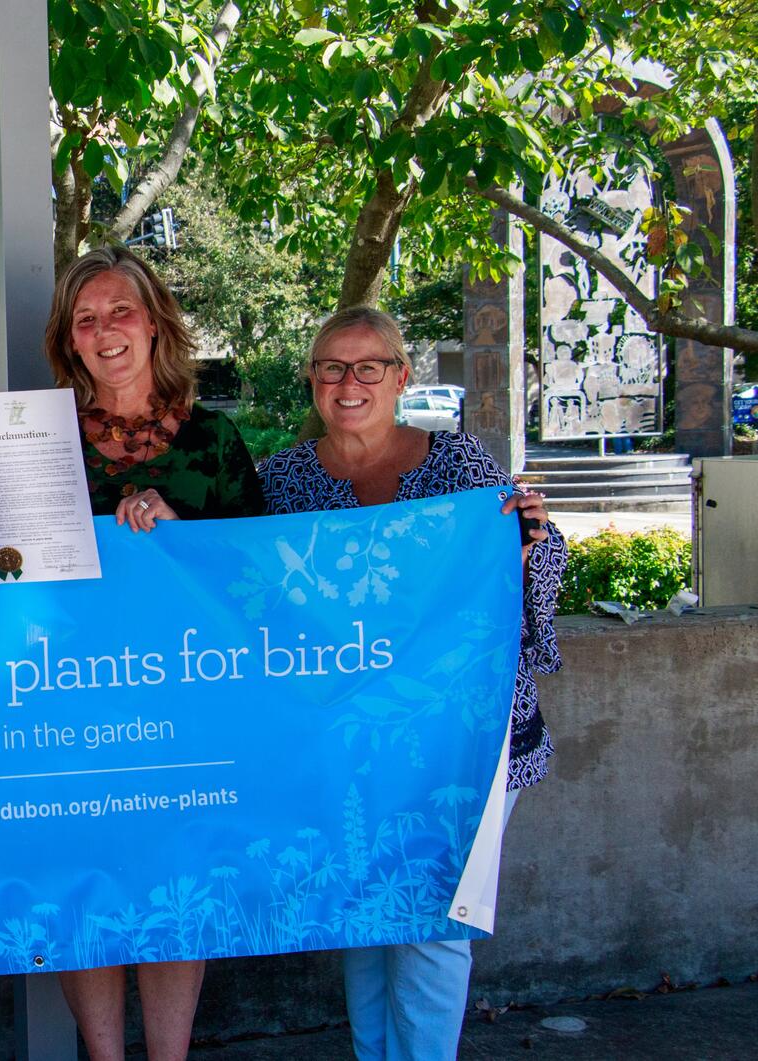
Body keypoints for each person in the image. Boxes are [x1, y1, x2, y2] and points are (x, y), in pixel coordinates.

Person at [0, 244, 264, 1061]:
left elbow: (253, 580)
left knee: (175, 883)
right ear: (69, 341)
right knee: (82, 878)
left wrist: (179, 539)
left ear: (153, 322)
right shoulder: (33, 439)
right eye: (86, 319)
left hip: (182, 701)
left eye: (120, 311)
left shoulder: (215, 442)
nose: (105, 329)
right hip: (66, 701)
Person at [258, 306, 566, 1061]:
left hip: (465, 739)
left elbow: (531, 565)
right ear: (312, 379)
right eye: (332, 366)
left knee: (432, 917)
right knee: (364, 917)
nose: (349, 382)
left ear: (400, 377)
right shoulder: (281, 482)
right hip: (350, 744)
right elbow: (242, 591)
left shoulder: (460, 466)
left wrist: (529, 541)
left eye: (369, 367)